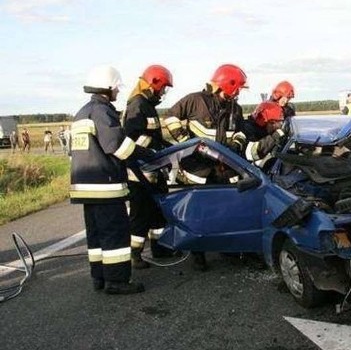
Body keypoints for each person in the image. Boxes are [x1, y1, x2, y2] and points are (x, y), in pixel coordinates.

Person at [69, 65, 153, 294]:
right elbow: (118, 146)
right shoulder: (102, 111)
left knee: (96, 237)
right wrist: (150, 155)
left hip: (84, 188)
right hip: (105, 187)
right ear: (108, 88)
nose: (118, 92)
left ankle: (99, 278)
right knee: (114, 235)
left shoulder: (81, 113)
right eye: (116, 88)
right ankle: (116, 282)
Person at [163, 63, 248, 271]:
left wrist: (237, 143)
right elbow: (171, 118)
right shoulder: (195, 100)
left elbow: (241, 131)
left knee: (224, 210)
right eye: (237, 88)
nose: (238, 93)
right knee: (197, 213)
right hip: (197, 170)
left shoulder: (234, 109)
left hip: (223, 167)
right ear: (228, 85)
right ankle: (198, 254)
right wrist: (185, 141)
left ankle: (226, 248)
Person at [123, 64, 177, 269]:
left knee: (157, 212)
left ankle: (160, 248)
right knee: (140, 215)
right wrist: (154, 152)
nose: (164, 92)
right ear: (154, 84)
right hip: (139, 172)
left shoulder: (147, 105)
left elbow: (154, 137)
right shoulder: (137, 105)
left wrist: (171, 148)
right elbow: (133, 141)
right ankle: (134, 255)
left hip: (152, 170)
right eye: (163, 87)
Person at [232, 101, 285, 170]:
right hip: (241, 174)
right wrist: (274, 137)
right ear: (265, 122)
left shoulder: (263, 132)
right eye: (274, 123)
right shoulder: (245, 130)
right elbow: (251, 153)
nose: (277, 127)